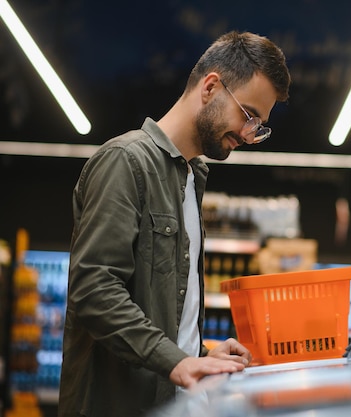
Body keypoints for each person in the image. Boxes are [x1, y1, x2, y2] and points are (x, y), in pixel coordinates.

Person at [58, 31, 291, 417]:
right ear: (211, 86)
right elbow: (94, 290)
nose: (250, 136)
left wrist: (202, 351)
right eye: (249, 116)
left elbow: (162, 313)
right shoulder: (126, 162)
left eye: (259, 126)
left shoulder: (189, 178)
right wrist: (176, 361)